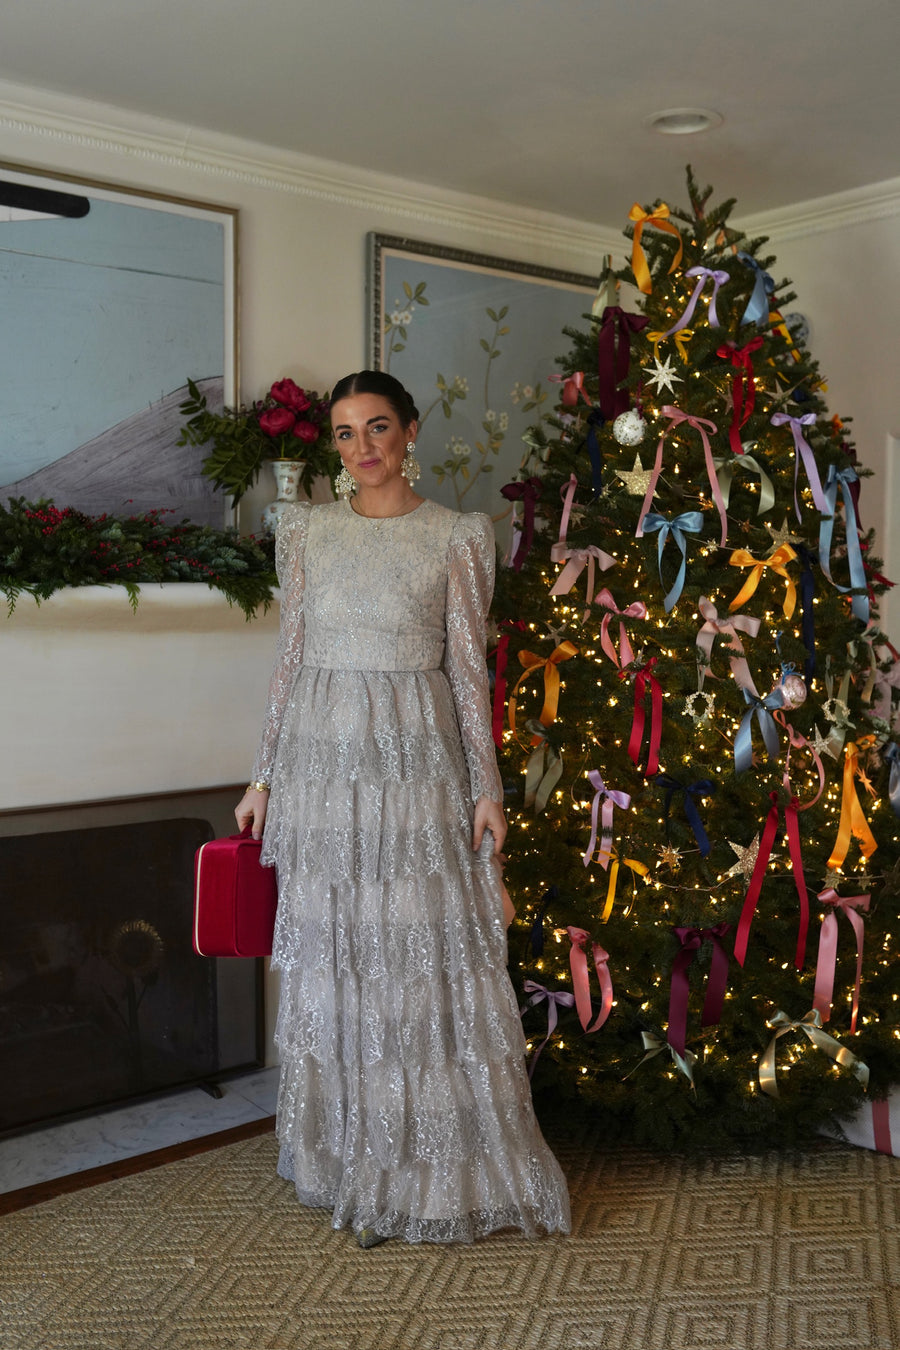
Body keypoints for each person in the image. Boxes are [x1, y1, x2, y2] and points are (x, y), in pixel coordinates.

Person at [235, 370, 571, 1246]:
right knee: (340, 956)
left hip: (417, 767)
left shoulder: (457, 535)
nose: (362, 448)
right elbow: (290, 661)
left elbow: (468, 675)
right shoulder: (305, 531)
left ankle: (428, 1178)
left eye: (377, 428)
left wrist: (488, 791)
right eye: (344, 435)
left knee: (416, 953)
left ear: (410, 431)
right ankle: (343, 1158)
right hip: (322, 770)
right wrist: (263, 777)